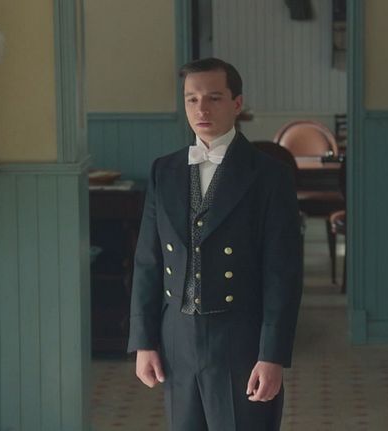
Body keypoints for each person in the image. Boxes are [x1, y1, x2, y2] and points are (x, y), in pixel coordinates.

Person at [127, 57, 302, 431]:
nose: (201, 109)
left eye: (214, 98)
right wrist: (144, 342)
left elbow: (282, 275)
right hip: (177, 339)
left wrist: (272, 355)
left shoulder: (270, 176)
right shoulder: (163, 171)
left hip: (239, 340)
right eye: (191, 99)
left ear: (237, 104)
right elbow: (148, 261)